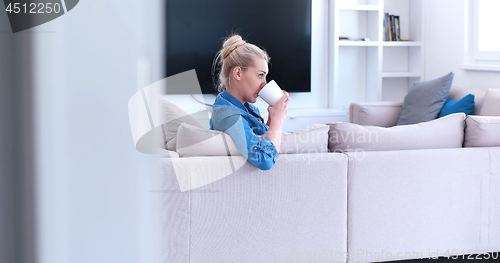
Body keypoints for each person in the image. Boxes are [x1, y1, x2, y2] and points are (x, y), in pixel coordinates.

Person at [210, 35, 289, 170]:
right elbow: (264, 160)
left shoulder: (249, 109)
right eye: (260, 75)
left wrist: (272, 116)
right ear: (238, 74)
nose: (264, 84)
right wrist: (278, 119)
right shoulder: (229, 116)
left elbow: (263, 142)